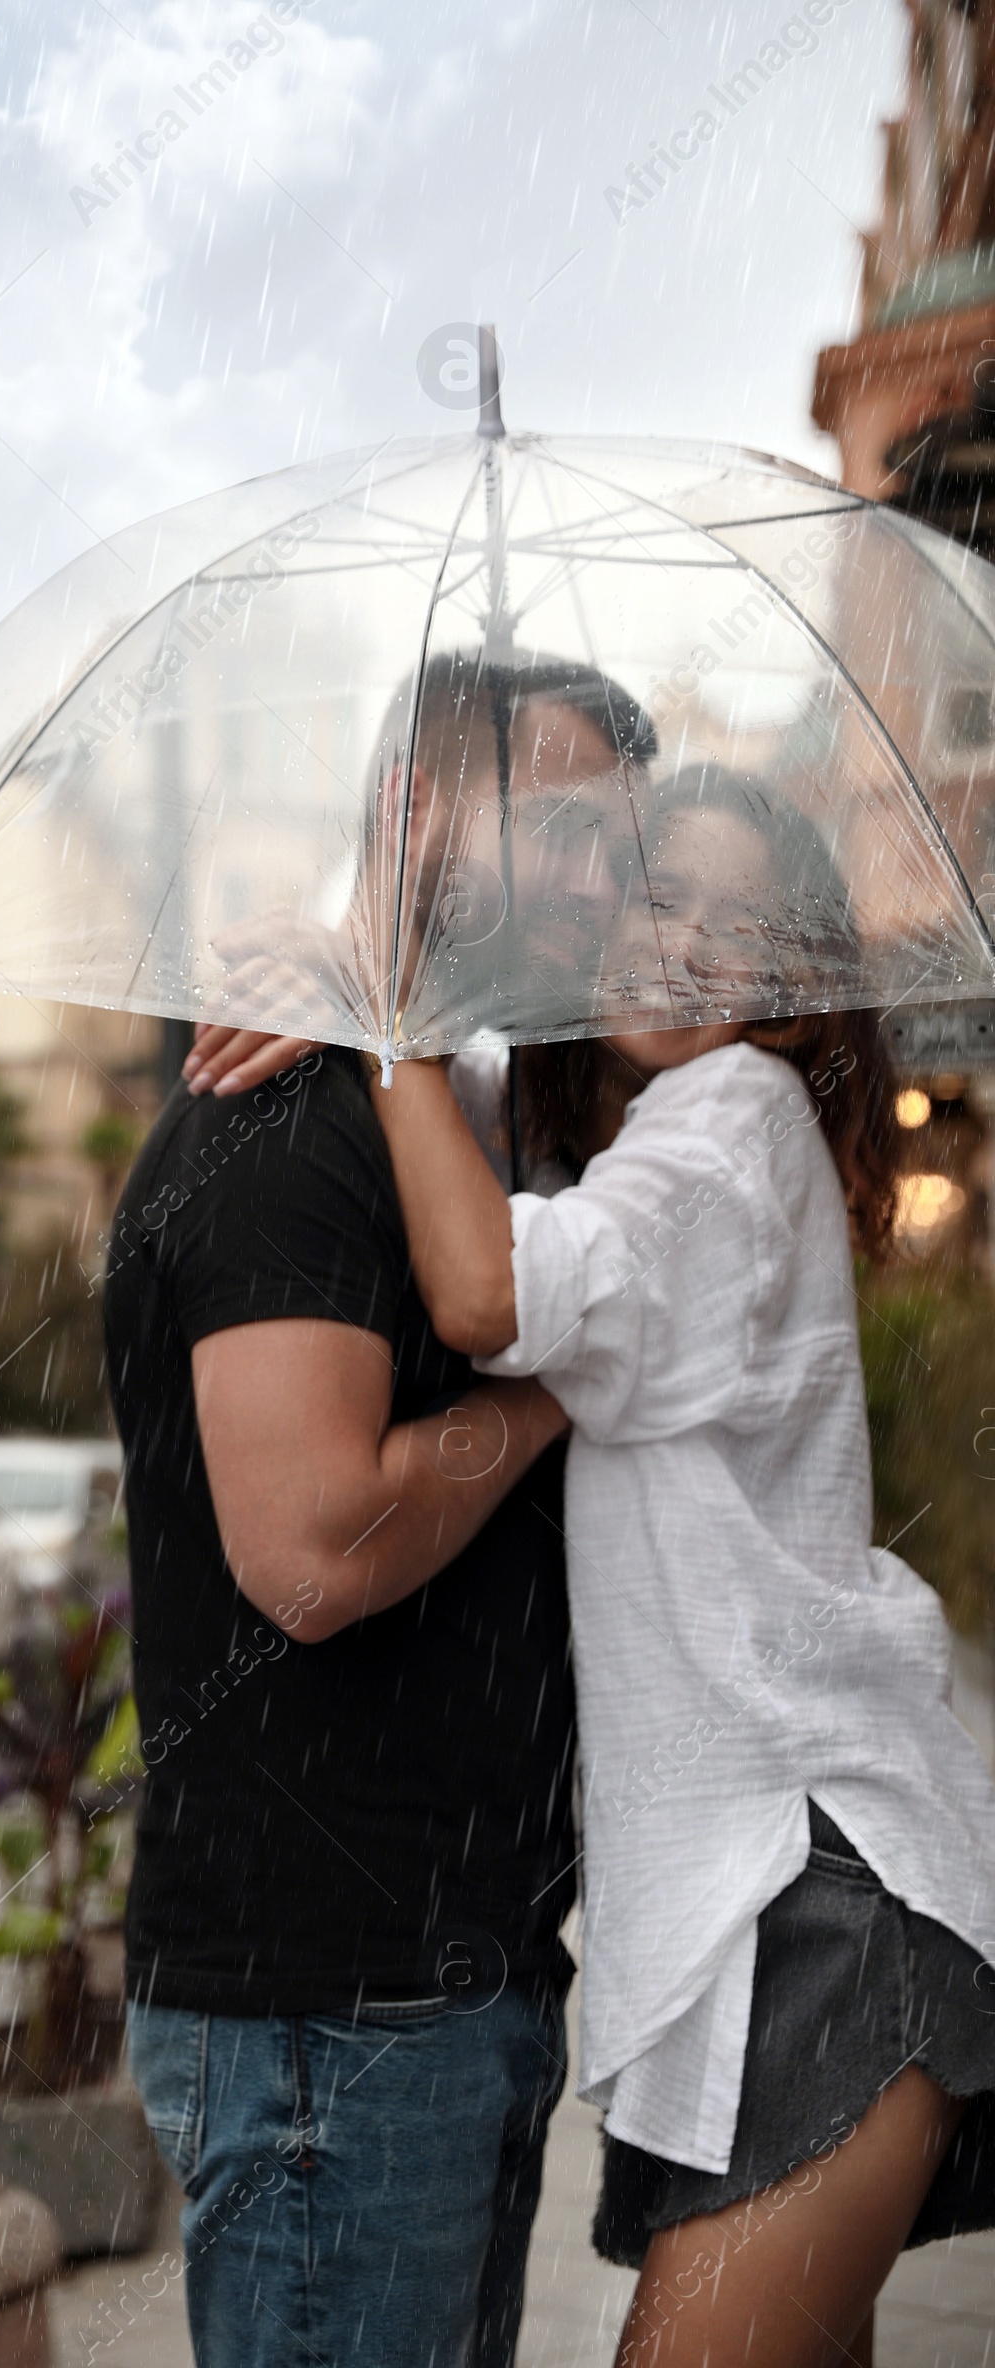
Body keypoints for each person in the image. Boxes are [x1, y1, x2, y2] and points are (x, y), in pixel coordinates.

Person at [190, 765, 995, 2368]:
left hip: (816, 1911)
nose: (686, 939)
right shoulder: (670, 1149)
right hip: (775, 1927)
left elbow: (488, 1293)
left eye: (738, 921)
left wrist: (386, 1014)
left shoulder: (734, 1119)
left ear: (796, 986)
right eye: (655, 892)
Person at [104, 659, 656, 2368]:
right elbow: (315, 1551)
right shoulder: (288, 1117)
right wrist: (563, 1385)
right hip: (330, 2024)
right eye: (561, 829)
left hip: (437, 1994)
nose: (600, 887)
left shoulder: (441, 1112)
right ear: (413, 813)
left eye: (621, 854)